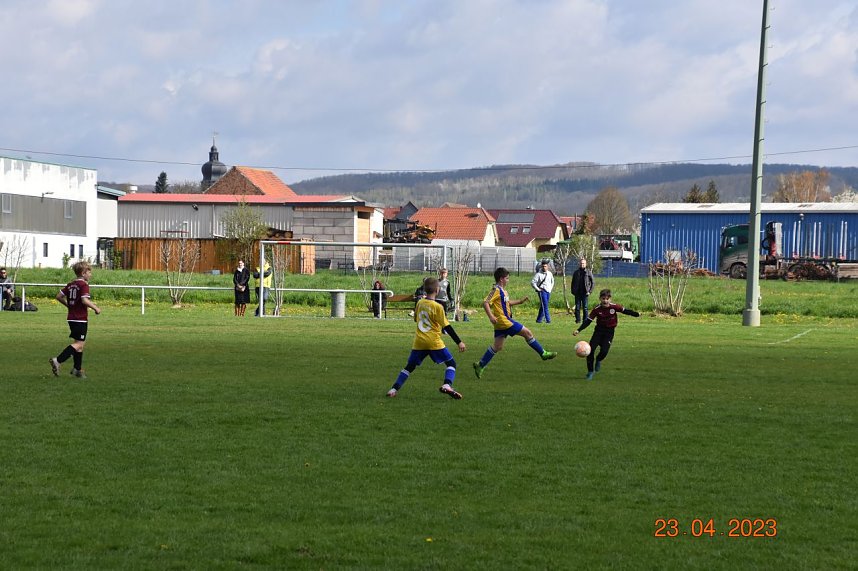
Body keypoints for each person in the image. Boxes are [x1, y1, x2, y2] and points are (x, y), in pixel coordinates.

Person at [387, 277, 466, 399]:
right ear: (437, 289)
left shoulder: (420, 303)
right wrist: (459, 342)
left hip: (419, 342)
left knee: (409, 367)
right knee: (451, 364)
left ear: (424, 289)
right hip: (434, 342)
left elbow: (415, 319)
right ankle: (447, 384)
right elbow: (447, 327)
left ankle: (393, 389)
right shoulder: (438, 307)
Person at [473, 267, 557, 379]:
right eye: (507, 278)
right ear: (501, 279)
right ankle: (543, 353)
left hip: (500, 323)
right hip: (504, 321)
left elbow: (507, 303)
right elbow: (486, 302)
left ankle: (480, 365)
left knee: (497, 346)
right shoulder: (496, 290)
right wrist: (491, 316)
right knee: (527, 333)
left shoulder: (503, 291)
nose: (508, 280)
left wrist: (520, 301)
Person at [573, 288, 640, 380]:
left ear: (610, 299)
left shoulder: (614, 307)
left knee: (604, 351)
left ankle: (599, 360)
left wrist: (636, 314)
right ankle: (590, 372)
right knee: (590, 351)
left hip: (609, 332)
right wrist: (578, 330)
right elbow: (588, 321)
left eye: (607, 299)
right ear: (600, 299)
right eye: (603, 298)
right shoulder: (596, 309)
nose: (605, 301)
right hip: (598, 331)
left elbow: (625, 311)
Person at [49, 261, 101, 379]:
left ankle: (77, 369)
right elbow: (84, 300)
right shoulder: (84, 285)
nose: (90, 275)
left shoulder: (71, 284)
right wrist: (96, 308)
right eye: (89, 272)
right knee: (79, 344)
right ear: (83, 273)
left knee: (79, 344)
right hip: (80, 319)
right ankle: (58, 360)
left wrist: (68, 305)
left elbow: (58, 296)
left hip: (71, 318)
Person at [570, 257, 595, 324]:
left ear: (585, 264)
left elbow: (593, 282)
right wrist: (573, 291)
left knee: (585, 308)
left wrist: (590, 291)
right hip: (577, 293)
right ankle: (578, 320)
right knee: (577, 308)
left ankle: (585, 320)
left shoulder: (588, 272)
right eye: (581, 263)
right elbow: (572, 282)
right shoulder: (576, 272)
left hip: (585, 293)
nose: (582, 264)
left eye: (583, 263)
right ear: (579, 264)